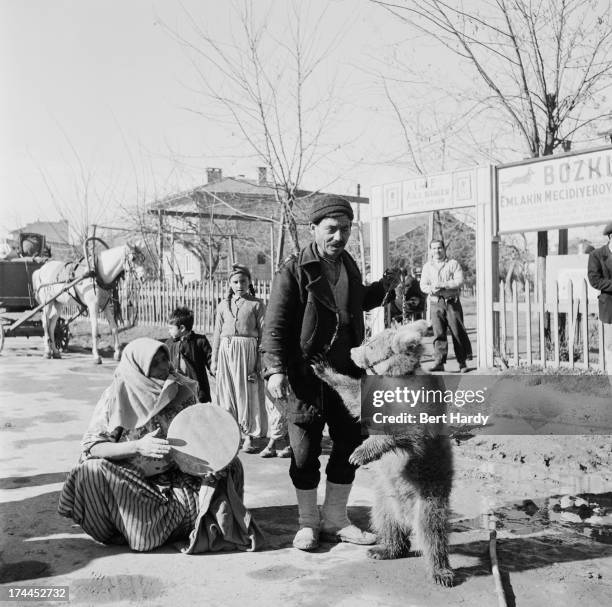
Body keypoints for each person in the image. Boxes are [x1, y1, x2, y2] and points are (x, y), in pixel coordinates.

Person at [261, 195, 400, 551]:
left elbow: (356, 302)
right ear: (314, 229)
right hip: (305, 376)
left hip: (347, 373)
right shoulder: (293, 270)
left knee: (351, 443)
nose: (340, 236)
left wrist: (383, 288)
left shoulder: (349, 266)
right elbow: (275, 325)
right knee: (305, 452)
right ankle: (308, 523)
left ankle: (336, 519)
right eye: (332, 229)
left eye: (346, 228)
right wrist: (274, 370)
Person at [57, 338, 262, 553]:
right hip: (135, 483)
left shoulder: (180, 389)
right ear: (138, 368)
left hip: (180, 481)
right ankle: (125, 527)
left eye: (165, 359)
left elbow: (203, 439)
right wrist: (138, 447)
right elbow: (94, 447)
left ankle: (151, 527)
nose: (165, 367)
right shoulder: (116, 395)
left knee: (233, 466)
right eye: (155, 363)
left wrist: (210, 462)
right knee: (90, 471)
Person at [211, 265, 267, 453]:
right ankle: (231, 433)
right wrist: (214, 360)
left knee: (246, 393)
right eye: (235, 282)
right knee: (227, 394)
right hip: (226, 353)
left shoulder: (257, 304)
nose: (239, 285)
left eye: (243, 281)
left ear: (249, 282)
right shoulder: (222, 306)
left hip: (247, 351)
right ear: (229, 284)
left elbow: (263, 335)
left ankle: (249, 436)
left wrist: (259, 363)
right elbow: (217, 334)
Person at [420, 239, 472, 373]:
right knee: (438, 333)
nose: (437, 251)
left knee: (457, 332)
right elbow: (423, 285)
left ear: (444, 249)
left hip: (451, 302)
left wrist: (444, 284)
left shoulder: (453, 264)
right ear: (430, 250)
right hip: (436, 302)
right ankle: (439, 362)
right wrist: (432, 289)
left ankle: (462, 362)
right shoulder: (427, 267)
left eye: (439, 248)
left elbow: (459, 281)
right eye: (434, 248)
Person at [166, 306, 213, 403]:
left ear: (182, 328)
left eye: (171, 328)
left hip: (198, 391)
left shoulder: (200, 341)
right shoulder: (169, 344)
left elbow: (211, 361)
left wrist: (216, 371)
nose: (168, 331)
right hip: (177, 391)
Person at [587, 221, 612, 372]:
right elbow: (594, 280)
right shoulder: (597, 255)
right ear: (611, 236)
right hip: (610, 307)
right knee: (611, 345)